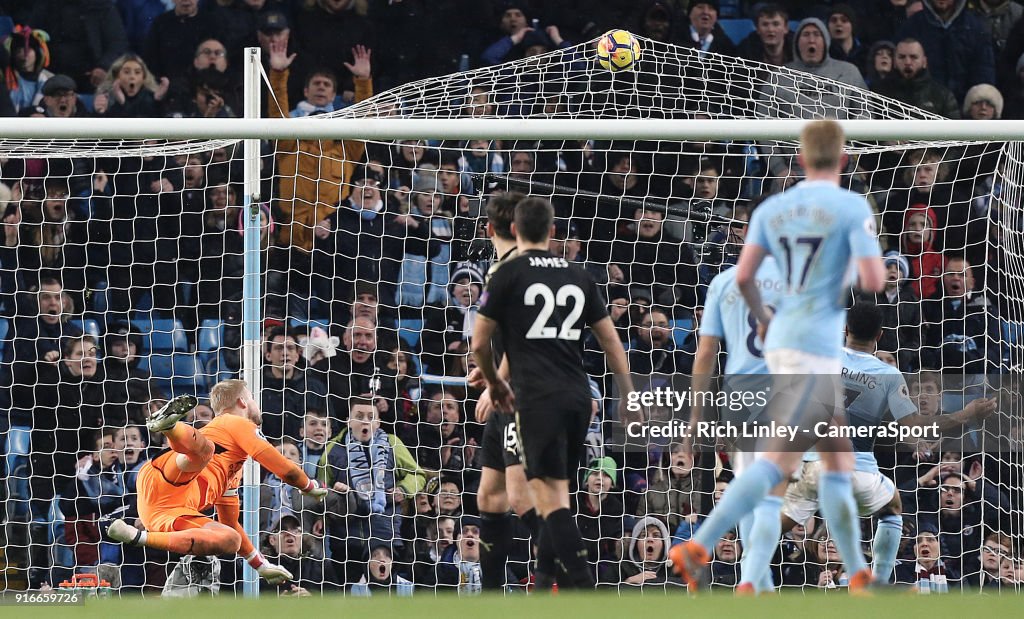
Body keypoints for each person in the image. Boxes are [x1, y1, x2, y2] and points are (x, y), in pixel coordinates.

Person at [671, 119, 886, 593]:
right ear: (844, 159)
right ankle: (702, 546)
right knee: (780, 468)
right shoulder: (851, 206)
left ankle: (855, 574)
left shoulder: (773, 210)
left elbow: (744, 278)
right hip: (815, 347)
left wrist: (763, 317)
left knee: (833, 459)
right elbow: (873, 282)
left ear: (802, 160)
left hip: (777, 348)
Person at [472, 196, 634, 590]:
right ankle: (539, 591)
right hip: (575, 394)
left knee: (538, 502)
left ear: (508, 229)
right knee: (494, 497)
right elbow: (612, 343)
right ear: (554, 231)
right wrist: (629, 396)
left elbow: (483, 343)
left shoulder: (508, 274)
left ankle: (581, 587)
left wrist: (494, 381)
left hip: (528, 399)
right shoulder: (580, 275)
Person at [105, 382, 329, 586]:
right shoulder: (235, 422)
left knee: (229, 540)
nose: (255, 404)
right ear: (242, 401)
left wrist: (261, 565)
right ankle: (170, 427)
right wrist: (309, 485)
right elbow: (283, 468)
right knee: (204, 452)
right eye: (252, 398)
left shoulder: (232, 471)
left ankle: (136, 537)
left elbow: (231, 524)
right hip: (168, 474)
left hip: (165, 512)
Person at [685, 195, 785, 595]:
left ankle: (756, 583)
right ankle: (754, 582)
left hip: (739, 396)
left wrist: (696, 415)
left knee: (749, 489)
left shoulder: (723, 281)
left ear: (744, 231)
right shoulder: (798, 278)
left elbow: (705, 354)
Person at [898, 0, 995, 102]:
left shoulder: (975, 27)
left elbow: (984, 71)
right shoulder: (912, 26)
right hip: (922, 105)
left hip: (964, 106)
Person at [871, 38, 959, 118]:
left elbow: (955, 132)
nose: (908, 62)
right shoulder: (878, 94)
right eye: (902, 57)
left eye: (913, 57)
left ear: (924, 62)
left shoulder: (942, 95)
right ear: (894, 62)